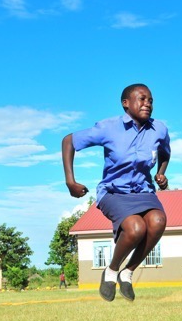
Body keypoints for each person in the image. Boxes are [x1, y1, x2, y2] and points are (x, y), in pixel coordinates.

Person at [62, 83, 170, 302]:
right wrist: (70, 181)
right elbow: (69, 141)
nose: (147, 104)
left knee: (158, 221)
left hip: (143, 190)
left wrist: (161, 173)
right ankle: (110, 272)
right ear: (126, 103)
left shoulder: (159, 129)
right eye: (141, 99)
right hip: (113, 191)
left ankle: (127, 272)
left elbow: (165, 151)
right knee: (135, 228)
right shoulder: (108, 128)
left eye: (150, 100)